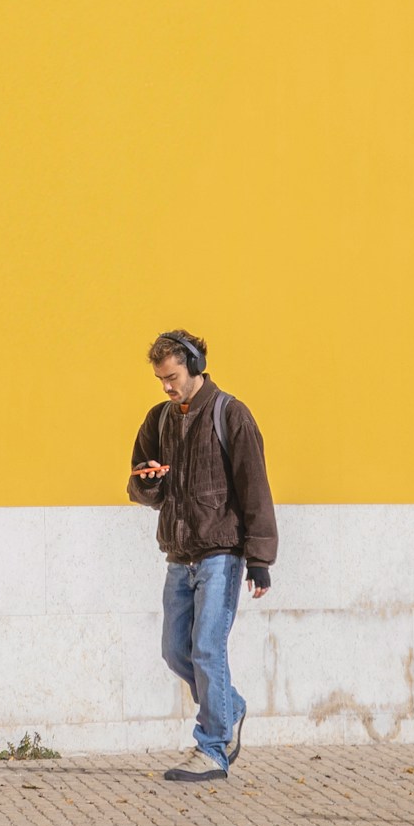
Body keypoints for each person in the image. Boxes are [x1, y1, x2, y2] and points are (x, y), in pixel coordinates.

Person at [127, 330, 277, 783]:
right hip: (178, 554)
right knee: (176, 651)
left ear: (194, 365)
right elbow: (138, 485)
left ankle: (212, 747)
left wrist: (259, 558)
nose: (166, 388)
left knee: (208, 649)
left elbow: (255, 489)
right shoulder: (158, 419)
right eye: (160, 380)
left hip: (221, 555)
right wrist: (149, 481)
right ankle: (228, 707)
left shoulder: (231, 415)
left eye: (171, 377)